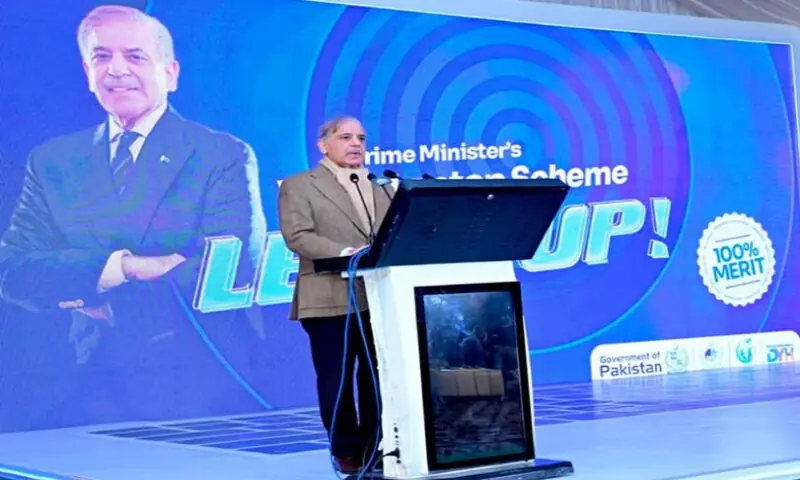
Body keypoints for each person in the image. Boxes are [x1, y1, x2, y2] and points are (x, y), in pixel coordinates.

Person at [0, 5, 267, 425]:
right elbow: (14, 270)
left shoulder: (221, 153)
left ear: (171, 73)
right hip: (81, 384)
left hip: (198, 383)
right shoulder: (52, 160)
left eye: (135, 56)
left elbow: (231, 270)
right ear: (87, 71)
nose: (116, 70)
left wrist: (105, 303)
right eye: (102, 57)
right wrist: (126, 267)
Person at [278, 116, 389, 474]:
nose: (356, 143)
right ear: (324, 145)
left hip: (382, 298)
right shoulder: (299, 185)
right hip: (328, 297)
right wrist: (346, 253)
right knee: (337, 377)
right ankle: (347, 450)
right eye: (346, 137)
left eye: (361, 137)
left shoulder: (382, 187)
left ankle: (378, 447)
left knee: (380, 375)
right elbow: (298, 235)